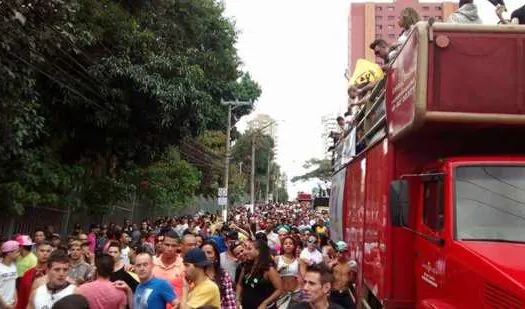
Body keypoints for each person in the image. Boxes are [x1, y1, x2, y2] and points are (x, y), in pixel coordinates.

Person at [16, 241, 53, 309]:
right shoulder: (27, 274)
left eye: (48, 251)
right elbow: (21, 299)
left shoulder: (54, 274)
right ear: (36, 252)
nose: (45, 253)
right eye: (42, 251)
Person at [0, 240, 20, 309]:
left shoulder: (13, 266)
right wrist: (5, 305)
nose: (19, 254)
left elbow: (13, 284)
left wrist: (16, 298)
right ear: (9, 253)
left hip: (10, 304)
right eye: (17, 252)